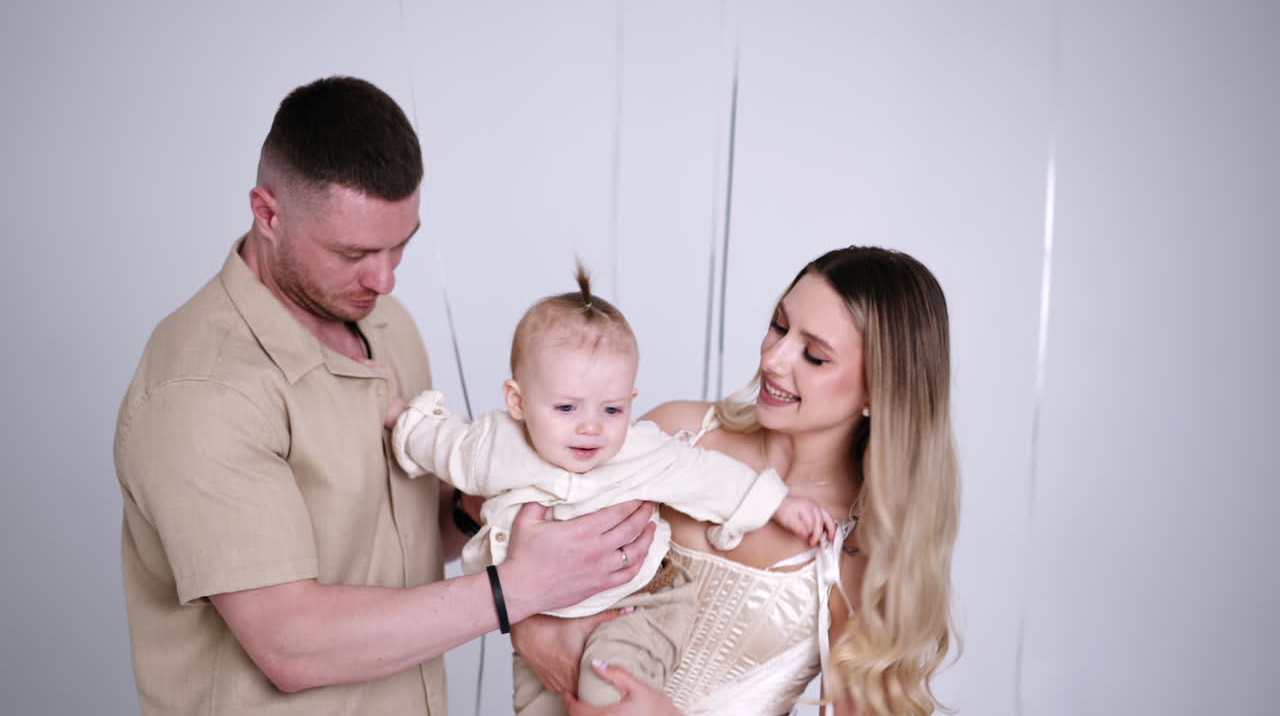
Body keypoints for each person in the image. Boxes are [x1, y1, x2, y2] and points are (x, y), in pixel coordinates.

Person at [113, 75, 655, 716]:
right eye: (354, 252)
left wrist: (491, 502)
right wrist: (522, 587)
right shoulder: (202, 390)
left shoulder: (385, 324)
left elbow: (403, 531)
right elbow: (290, 645)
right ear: (267, 212)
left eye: (402, 244)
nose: (386, 277)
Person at [517, 246, 959, 716]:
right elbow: (535, 515)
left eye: (813, 355)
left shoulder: (862, 553)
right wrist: (529, 626)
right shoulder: (676, 434)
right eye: (778, 326)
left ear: (878, 388)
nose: (773, 360)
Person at [386, 265, 839, 715]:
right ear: (517, 401)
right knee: (537, 707)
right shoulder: (494, 444)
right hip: (539, 610)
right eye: (566, 407)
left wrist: (776, 502)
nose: (590, 427)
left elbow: (708, 476)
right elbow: (443, 445)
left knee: (606, 692)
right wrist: (402, 422)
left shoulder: (641, 449)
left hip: (639, 602)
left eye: (612, 409)